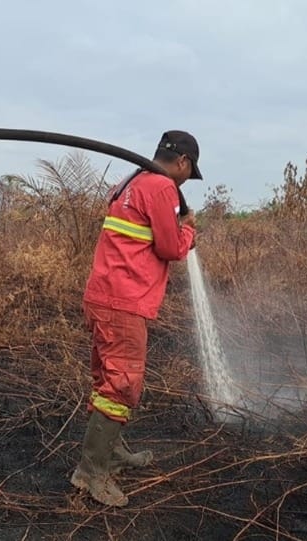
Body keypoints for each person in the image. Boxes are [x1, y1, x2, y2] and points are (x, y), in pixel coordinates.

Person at [70, 130, 200, 506]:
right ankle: (92, 473)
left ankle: (112, 452)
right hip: (124, 301)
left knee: (106, 380)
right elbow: (170, 247)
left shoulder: (130, 181)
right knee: (121, 384)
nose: (185, 182)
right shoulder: (161, 186)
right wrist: (189, 231)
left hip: (104, 296)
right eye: (189, 174)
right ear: (183, 163)